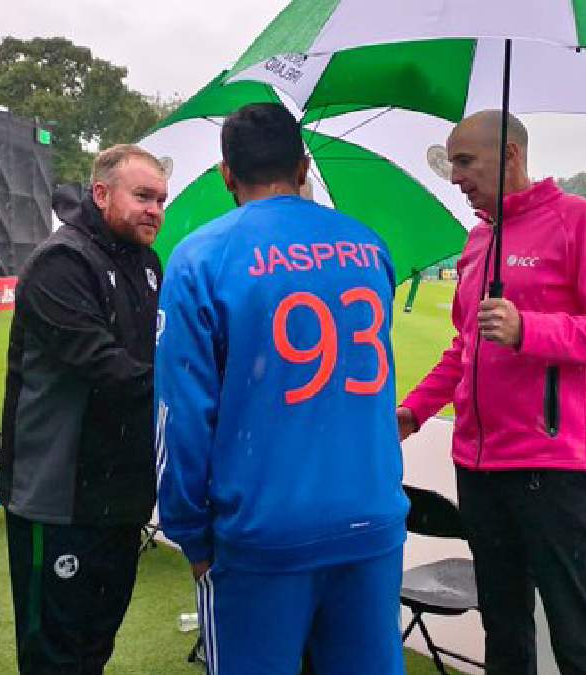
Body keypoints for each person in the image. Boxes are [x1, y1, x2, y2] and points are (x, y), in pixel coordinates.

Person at [156, 103, 408, 675]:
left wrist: (190, 533)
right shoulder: (369, 246)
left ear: (226, 173)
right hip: (370, 518)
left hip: (262, 529)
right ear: (303, 166)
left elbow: (182, 415)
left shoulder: (201, 255)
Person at [396, 110, 586, 675]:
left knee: (575, 632)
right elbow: (465, 347)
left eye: (465, 161)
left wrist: (529, 328)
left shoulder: (580, 220)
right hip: (479, 467)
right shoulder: (479, 238)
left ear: (510, 154)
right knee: (503, 629)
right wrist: (413, 411)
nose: (455, 176)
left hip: (553, 470)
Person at [0, 144, 167, 674]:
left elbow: (155, 355)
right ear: (100, 193)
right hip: (58, 498)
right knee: (54, 653)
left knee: (96, 641)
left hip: (121, 495)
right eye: (143, 196)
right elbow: (108, 368)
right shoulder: (61, 262)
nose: (155, 210)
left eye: (161, 199)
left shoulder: (148, 264)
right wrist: (196, 388)